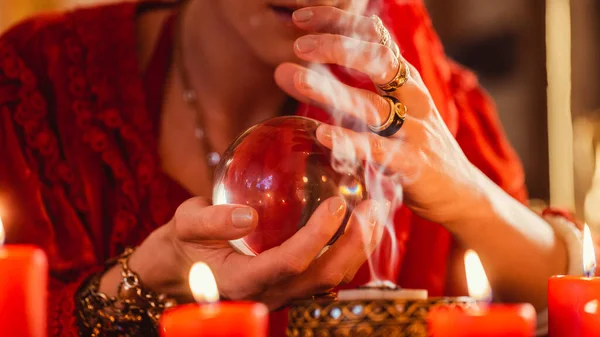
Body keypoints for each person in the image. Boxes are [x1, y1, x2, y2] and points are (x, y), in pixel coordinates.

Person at [0, 0, 581, 336]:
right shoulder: (35, 84)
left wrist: (467, 196)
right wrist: (144, 285)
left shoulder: (406, 70)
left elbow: (559, 291)